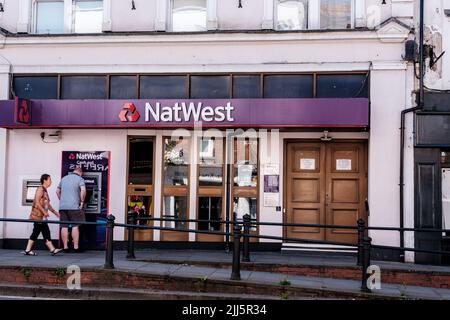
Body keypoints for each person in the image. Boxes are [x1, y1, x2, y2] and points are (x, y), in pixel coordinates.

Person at [22, 174, 63, 256]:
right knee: (44, 231)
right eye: (50, 180)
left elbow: (47, 204)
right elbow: (37, 201)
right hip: (39, 216)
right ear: (44, 180)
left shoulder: (44, 190)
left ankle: (28, 250)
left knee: (37, 232)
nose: (51, 182)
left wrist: (55, 213)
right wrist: (44, 212)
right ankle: (52, 249)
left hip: (42, 216)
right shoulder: (40, 189)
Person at [56, 166, 86, 253]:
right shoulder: (80, 179)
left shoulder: (64, 178)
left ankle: (65, 247)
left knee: (64, 226)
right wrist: (82, 201)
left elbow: (57, 191)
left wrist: (62, 200)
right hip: (74, 207)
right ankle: (76, 247)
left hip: (63, 207)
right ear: (80, 172)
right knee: (75, 226)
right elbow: (83, 190)